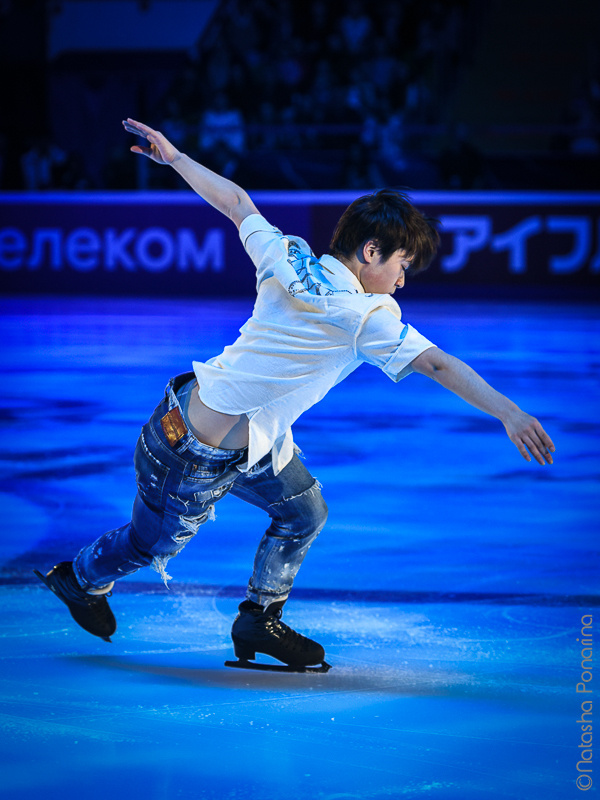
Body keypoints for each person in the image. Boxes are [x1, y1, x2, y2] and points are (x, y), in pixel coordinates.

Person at [34, 118, 555, 673]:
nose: (403, 282)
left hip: (246, 437)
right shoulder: (364, 314)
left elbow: (237, 202)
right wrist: (510, 411)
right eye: (402, 266)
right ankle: (80, 577)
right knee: (149, 546)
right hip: (188, 453)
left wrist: (177, 158)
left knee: (305, 511)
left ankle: (259, 618)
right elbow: (436, 361)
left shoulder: (288, 253)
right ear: (373, 251)